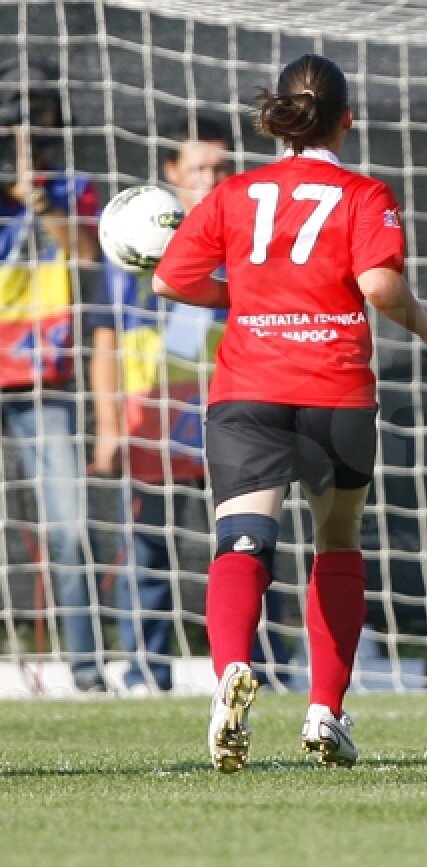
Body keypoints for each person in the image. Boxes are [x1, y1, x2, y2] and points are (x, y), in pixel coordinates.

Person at [151, 53, 427, 771]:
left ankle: (230, 668)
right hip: (334, 391)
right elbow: (380, 286)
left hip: (249, 387)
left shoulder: (233, 192)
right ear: (347, 119)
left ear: (279, 119)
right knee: (337, 543)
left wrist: (254, 301)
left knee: (244, 539)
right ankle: (325, 710)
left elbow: (169, 278)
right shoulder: (362, 193)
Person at [93, 117, 293, 695]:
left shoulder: (250, 241)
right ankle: (145, 675)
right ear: (172, 173)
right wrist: (109, 425)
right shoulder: (129, 242)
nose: (210, 178)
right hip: (152, 424)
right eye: (199, 167)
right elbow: (105, 334)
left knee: (249, 544)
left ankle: (265, 667)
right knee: (149, 551)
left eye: (222, 167)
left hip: (233, 416)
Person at [0, 58, 106, 692]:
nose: (26, 127)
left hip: (45, 381)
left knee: (69, 530)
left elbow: (87, 253)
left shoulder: (71, 188)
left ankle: (88, 672)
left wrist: (35, 197)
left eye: (36, 115)